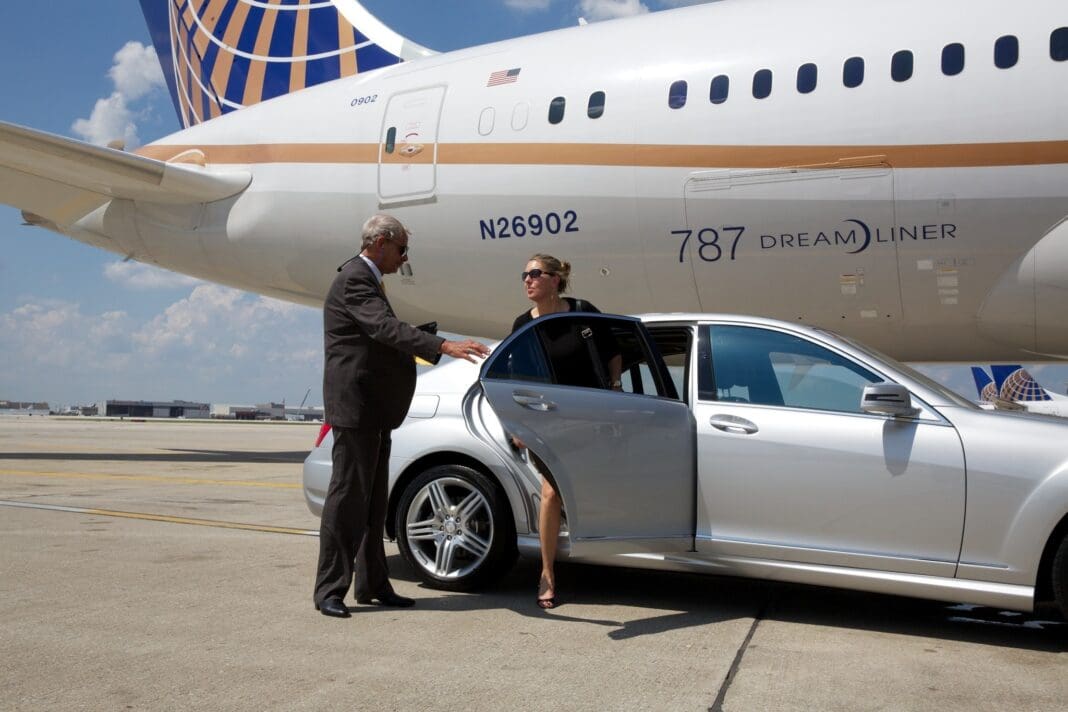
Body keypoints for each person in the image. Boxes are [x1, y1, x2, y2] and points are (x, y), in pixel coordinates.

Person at [314, 214, 490, 619]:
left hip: (375, 409)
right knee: (346, 500)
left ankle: (373, 584)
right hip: (356, 408)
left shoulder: (368, 279)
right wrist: (443, 345)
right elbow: (383, 328)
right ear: (380, 243)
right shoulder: (356, 278)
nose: (404, 257)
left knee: (375, 502)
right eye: (402, 248)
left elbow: (382, 332)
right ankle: (329, 589)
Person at [511, 253, 622, 610]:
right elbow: (515, 379)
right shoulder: (522, 324)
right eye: (524, 274)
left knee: (590, 487)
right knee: (551, 491)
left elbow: (612, 351)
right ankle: (547, 573)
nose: (528, 280)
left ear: (556, 280)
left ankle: (609, 556)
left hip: (589, 416)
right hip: (546, 420)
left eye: (535, 273)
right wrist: (517, 424)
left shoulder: (582, 311)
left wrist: (616, 389)